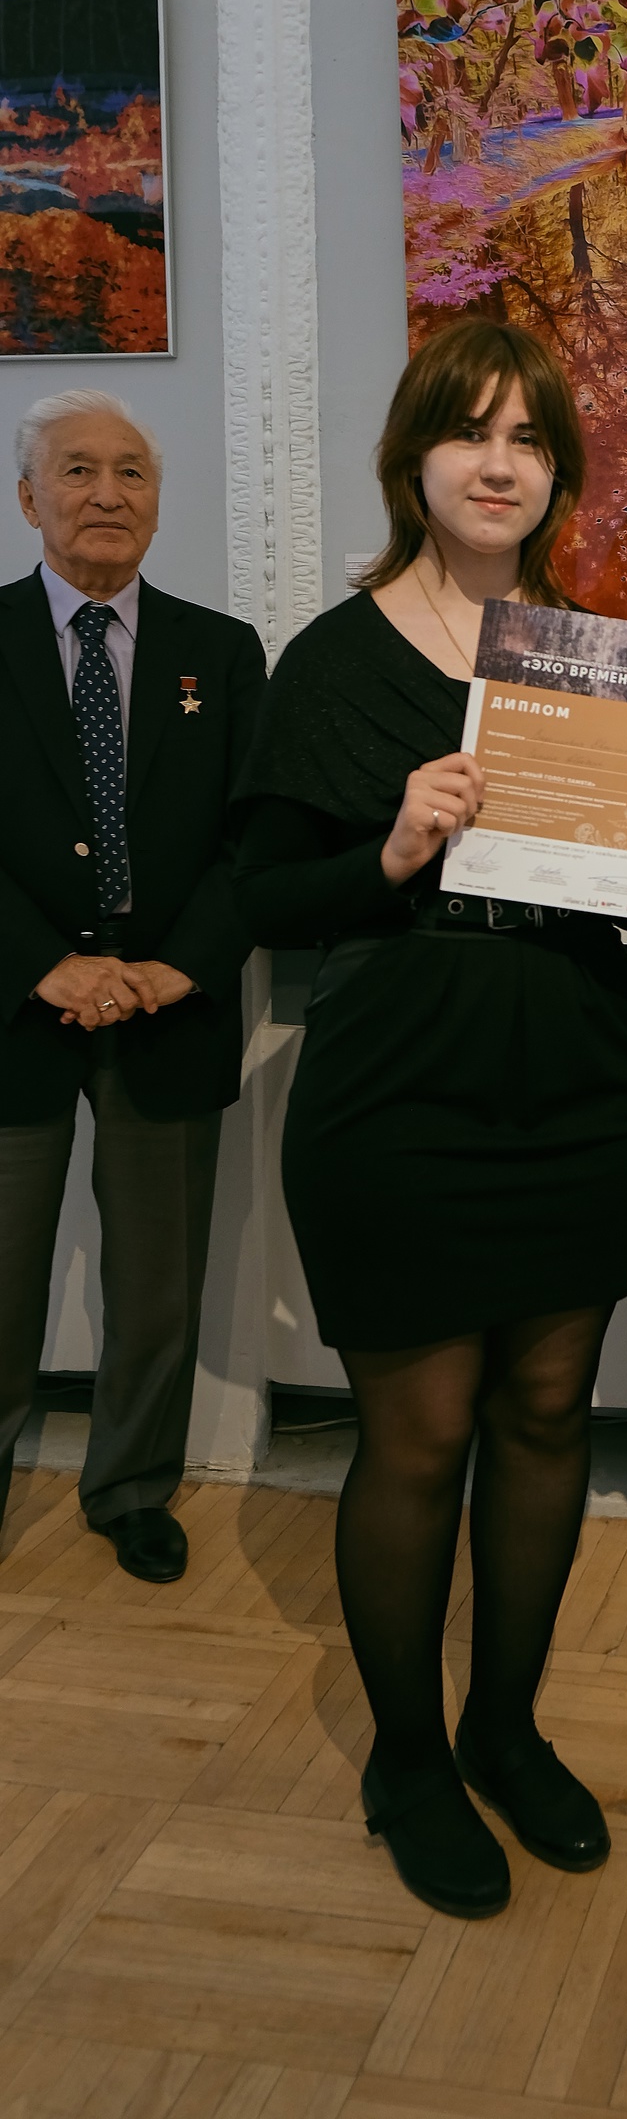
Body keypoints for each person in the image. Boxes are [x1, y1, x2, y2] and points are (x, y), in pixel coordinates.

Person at [234, 320, 627, 1922]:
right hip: (398, 1095)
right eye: (470, 432)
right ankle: (409, 1759)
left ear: (556, 472)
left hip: (575, 1082)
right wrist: (389, 846)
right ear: (412, 459)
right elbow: (260, 900)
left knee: (550, 1416)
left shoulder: (587, 657)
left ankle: (506, 1725)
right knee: (419, 1436)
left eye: (530, 438)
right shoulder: (330, 661)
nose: (500, 463)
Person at [0, 390, 267, 1580]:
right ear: (29, 498)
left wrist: (175, 966)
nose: (106, 493)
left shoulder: (223, 651)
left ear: (158, 502)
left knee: (156, 1282)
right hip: (14, 1004)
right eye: (76, 470)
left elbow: (253, 837)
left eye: (132, 472)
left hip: (169, 1010)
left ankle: (132, 1486)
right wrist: (43, 963)